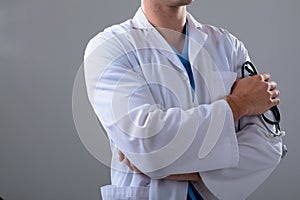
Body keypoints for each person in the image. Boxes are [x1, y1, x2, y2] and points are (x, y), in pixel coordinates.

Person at [84, 0, 283, 199]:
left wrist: (171, 168)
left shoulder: (228, 45)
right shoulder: (109, 47)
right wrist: (239, 104)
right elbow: (149, 142)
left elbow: (267, 146)